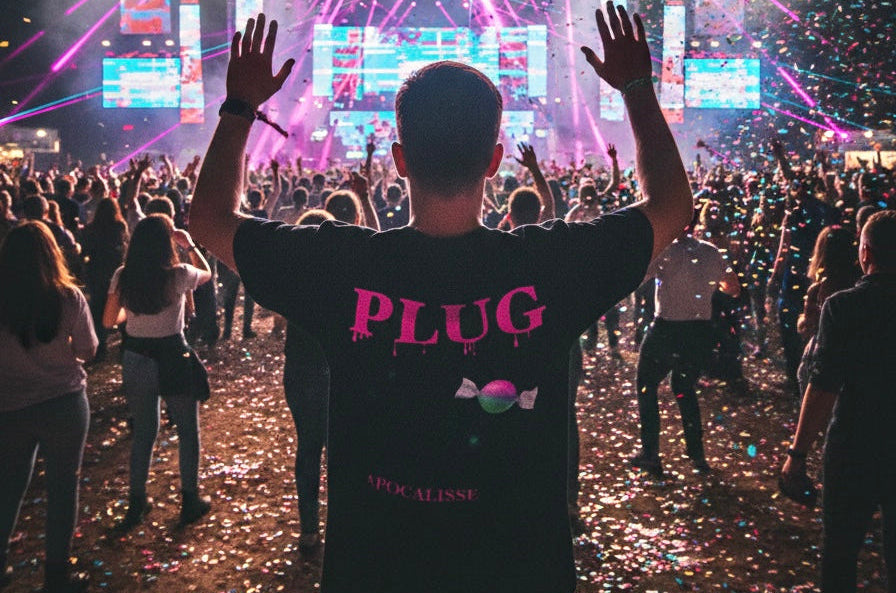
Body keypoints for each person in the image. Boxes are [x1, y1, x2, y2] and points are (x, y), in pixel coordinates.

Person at [190, 4, 693, 591]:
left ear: (400, 161)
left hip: (377, 571)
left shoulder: (339, 266)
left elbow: (209, 218)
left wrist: (239, 106)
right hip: (518, 571)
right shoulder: (551, 265)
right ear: (494, 161)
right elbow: (671, 206)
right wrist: (636, 87)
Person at [780, 210, 896, 593]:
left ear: (866, 253)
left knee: (840, 552)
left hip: (854, 444)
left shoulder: (843, 306)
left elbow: (823, 386)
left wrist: (797, 454)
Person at [0, 221, 98, 593]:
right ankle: (56, 576)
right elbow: (88, 349)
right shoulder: (68, 297)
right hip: (63, 403)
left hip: (10, 406)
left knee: (8, 486)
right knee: (62, 488)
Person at [103, 214, 213, 529]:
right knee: (187, 430)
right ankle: (189, 499)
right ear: (167, 244)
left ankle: (137, 501)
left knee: (144, 432)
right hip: (172, 354)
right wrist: (190, 245)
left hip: (136, 355)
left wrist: (135, 315)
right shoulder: (179, 275)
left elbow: (109, 321)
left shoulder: (123, 275)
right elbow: (207, 274)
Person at [628, 215, 741, 477]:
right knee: (684, 387)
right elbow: (733, 288)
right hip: (700, 332)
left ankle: (650, 453)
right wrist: (705, 287)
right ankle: (697, 453)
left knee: (646, 385)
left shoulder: (665, 251)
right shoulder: (711, 252)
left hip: (666, 329)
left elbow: (639, 278)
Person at [82, 197, 129, 362]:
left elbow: (85, 251)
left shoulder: (91, 228)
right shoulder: (119, 226)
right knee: (121, 306)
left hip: (97, 273)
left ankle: (100, 347)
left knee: (98, 309)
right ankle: (126, 345)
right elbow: (124, 247)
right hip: (115, 272)